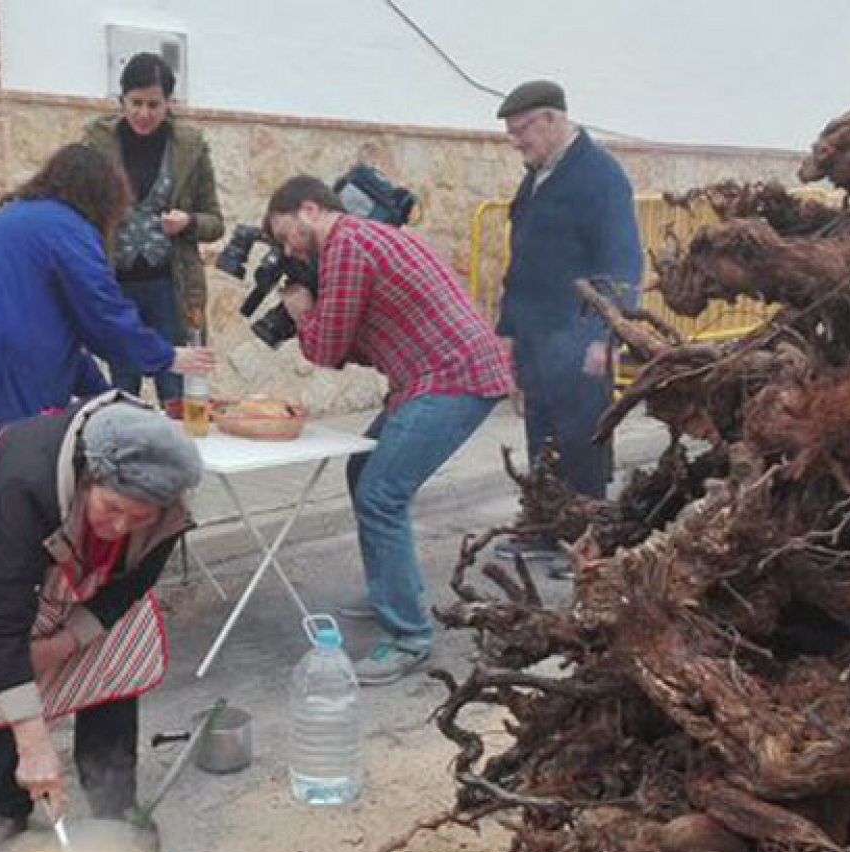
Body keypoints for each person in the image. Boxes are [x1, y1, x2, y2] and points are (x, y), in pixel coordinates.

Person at [0, 144, 215, 665]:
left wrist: (116, 403)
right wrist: (168, 356)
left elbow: (68, 340)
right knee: (2, 501)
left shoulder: (14, 221)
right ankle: (1, 641)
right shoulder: (68, 230)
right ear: (100, 197)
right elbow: (105, 316)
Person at [0, 394, 201, 852]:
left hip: (59, 541)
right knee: (3, 675)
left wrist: (66, 643)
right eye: (111, 507)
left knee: (114, 658)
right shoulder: (27, 487)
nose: (122, 526)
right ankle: (8, 808)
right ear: (89, 479)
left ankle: (114, 802)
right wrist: (35, 746)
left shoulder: (164, 513)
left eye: (139, 517)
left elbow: (128, 589)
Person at [265, 176, 513, 686]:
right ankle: (392, 589)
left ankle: (408, 637)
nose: (287, 248)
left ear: (309, 209)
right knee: (363, 470)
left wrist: (302, 313)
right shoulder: (360, 239)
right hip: (434, 377)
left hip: (452, 378)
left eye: (285, 233)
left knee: (381, 494)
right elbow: (357, 337)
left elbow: (329, 349)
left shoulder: (347, 245)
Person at [492, 80, 644, 577]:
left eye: (522, 131)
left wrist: (608, 336)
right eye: (512, 134)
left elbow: (622, 261)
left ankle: (589, 541)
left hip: (581, 335)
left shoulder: (599, 176)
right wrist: (508, 332)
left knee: (584, 439)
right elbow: (523, 261)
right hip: (537, 333)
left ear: (553, 120)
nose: (517, 141)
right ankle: (545, 528)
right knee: (543, 433)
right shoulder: (535, 177)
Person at [82, 52, 224, 402]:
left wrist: (188, 222)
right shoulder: (96, 145)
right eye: (136, 103)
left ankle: (178, 456)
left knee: (178, 392)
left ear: (169, 104)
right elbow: (80, 211)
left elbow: (215, 222)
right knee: (121, 391)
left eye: (154, 105)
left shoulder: (190, 148)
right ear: (122, 101)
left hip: (170, 290)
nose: (144, 114)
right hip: (117, 288)